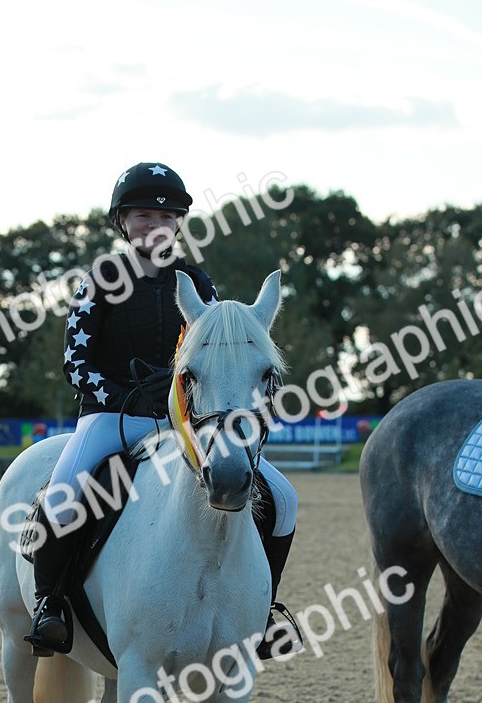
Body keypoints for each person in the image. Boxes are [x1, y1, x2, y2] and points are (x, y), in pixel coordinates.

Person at [25, 161, 299, 658]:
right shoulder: (100, 280)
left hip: (185, 424)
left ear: (179, 224)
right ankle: (52, 603)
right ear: (122, 223)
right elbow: (75, 360)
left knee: (282, 496)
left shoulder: (196, 283)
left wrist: (190, 404)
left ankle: (263, 611)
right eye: (144, 215)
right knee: (64, 493)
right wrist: (121, 394)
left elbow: (222, 358)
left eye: (166, 216)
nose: (156, 225)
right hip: (112, 417)